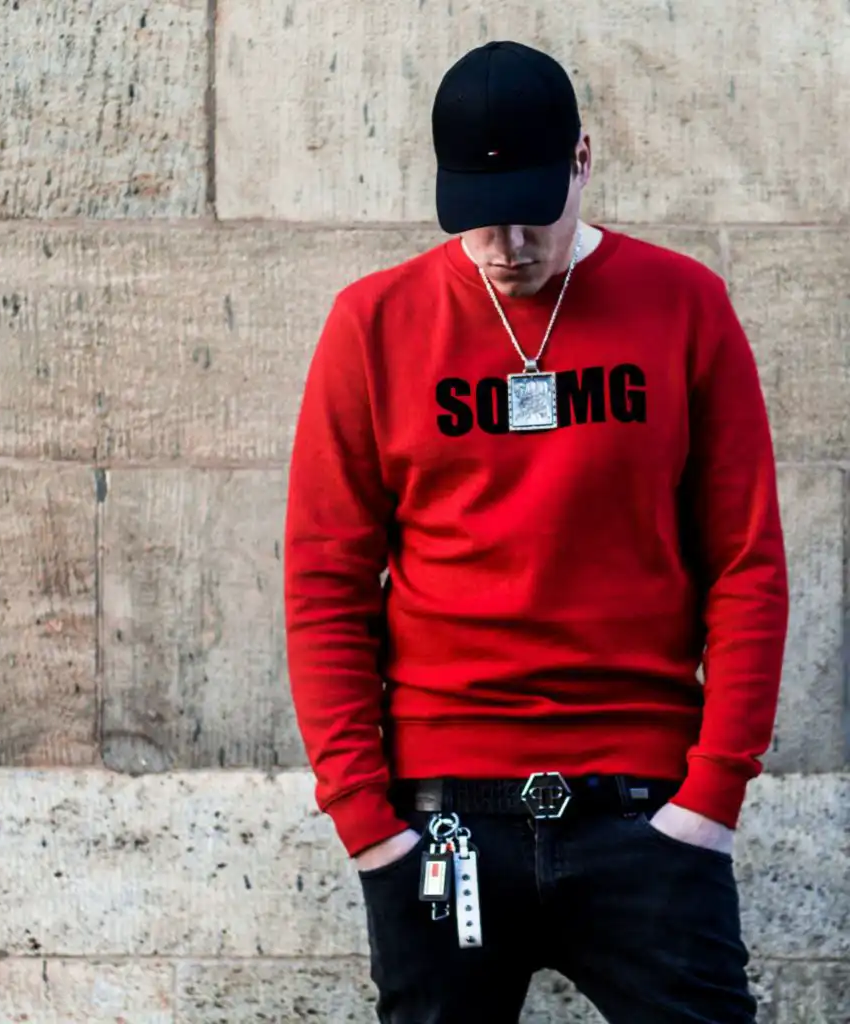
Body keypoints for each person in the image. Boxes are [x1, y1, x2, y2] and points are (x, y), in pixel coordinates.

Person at [283, 40, 788, 1024]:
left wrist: (711, 799)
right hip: (442, 816)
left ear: (582, 161)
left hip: (645, 809)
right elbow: (324, 582)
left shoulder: (683, 304)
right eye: (480, 219)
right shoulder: (373, 324)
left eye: (532, 212)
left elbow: (745, 563)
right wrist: (368, 824)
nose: (508, 245)